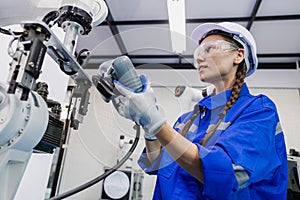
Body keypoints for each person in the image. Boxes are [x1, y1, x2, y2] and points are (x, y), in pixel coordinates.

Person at [111, 22, 288, 199]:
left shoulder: (258, 111)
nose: (199, 58)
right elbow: (154, 163)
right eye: (199, 53)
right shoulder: (187, 119)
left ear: (238, 55)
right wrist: (149, 128)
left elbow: (225, 173)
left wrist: (155, 122)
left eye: (210, 49)